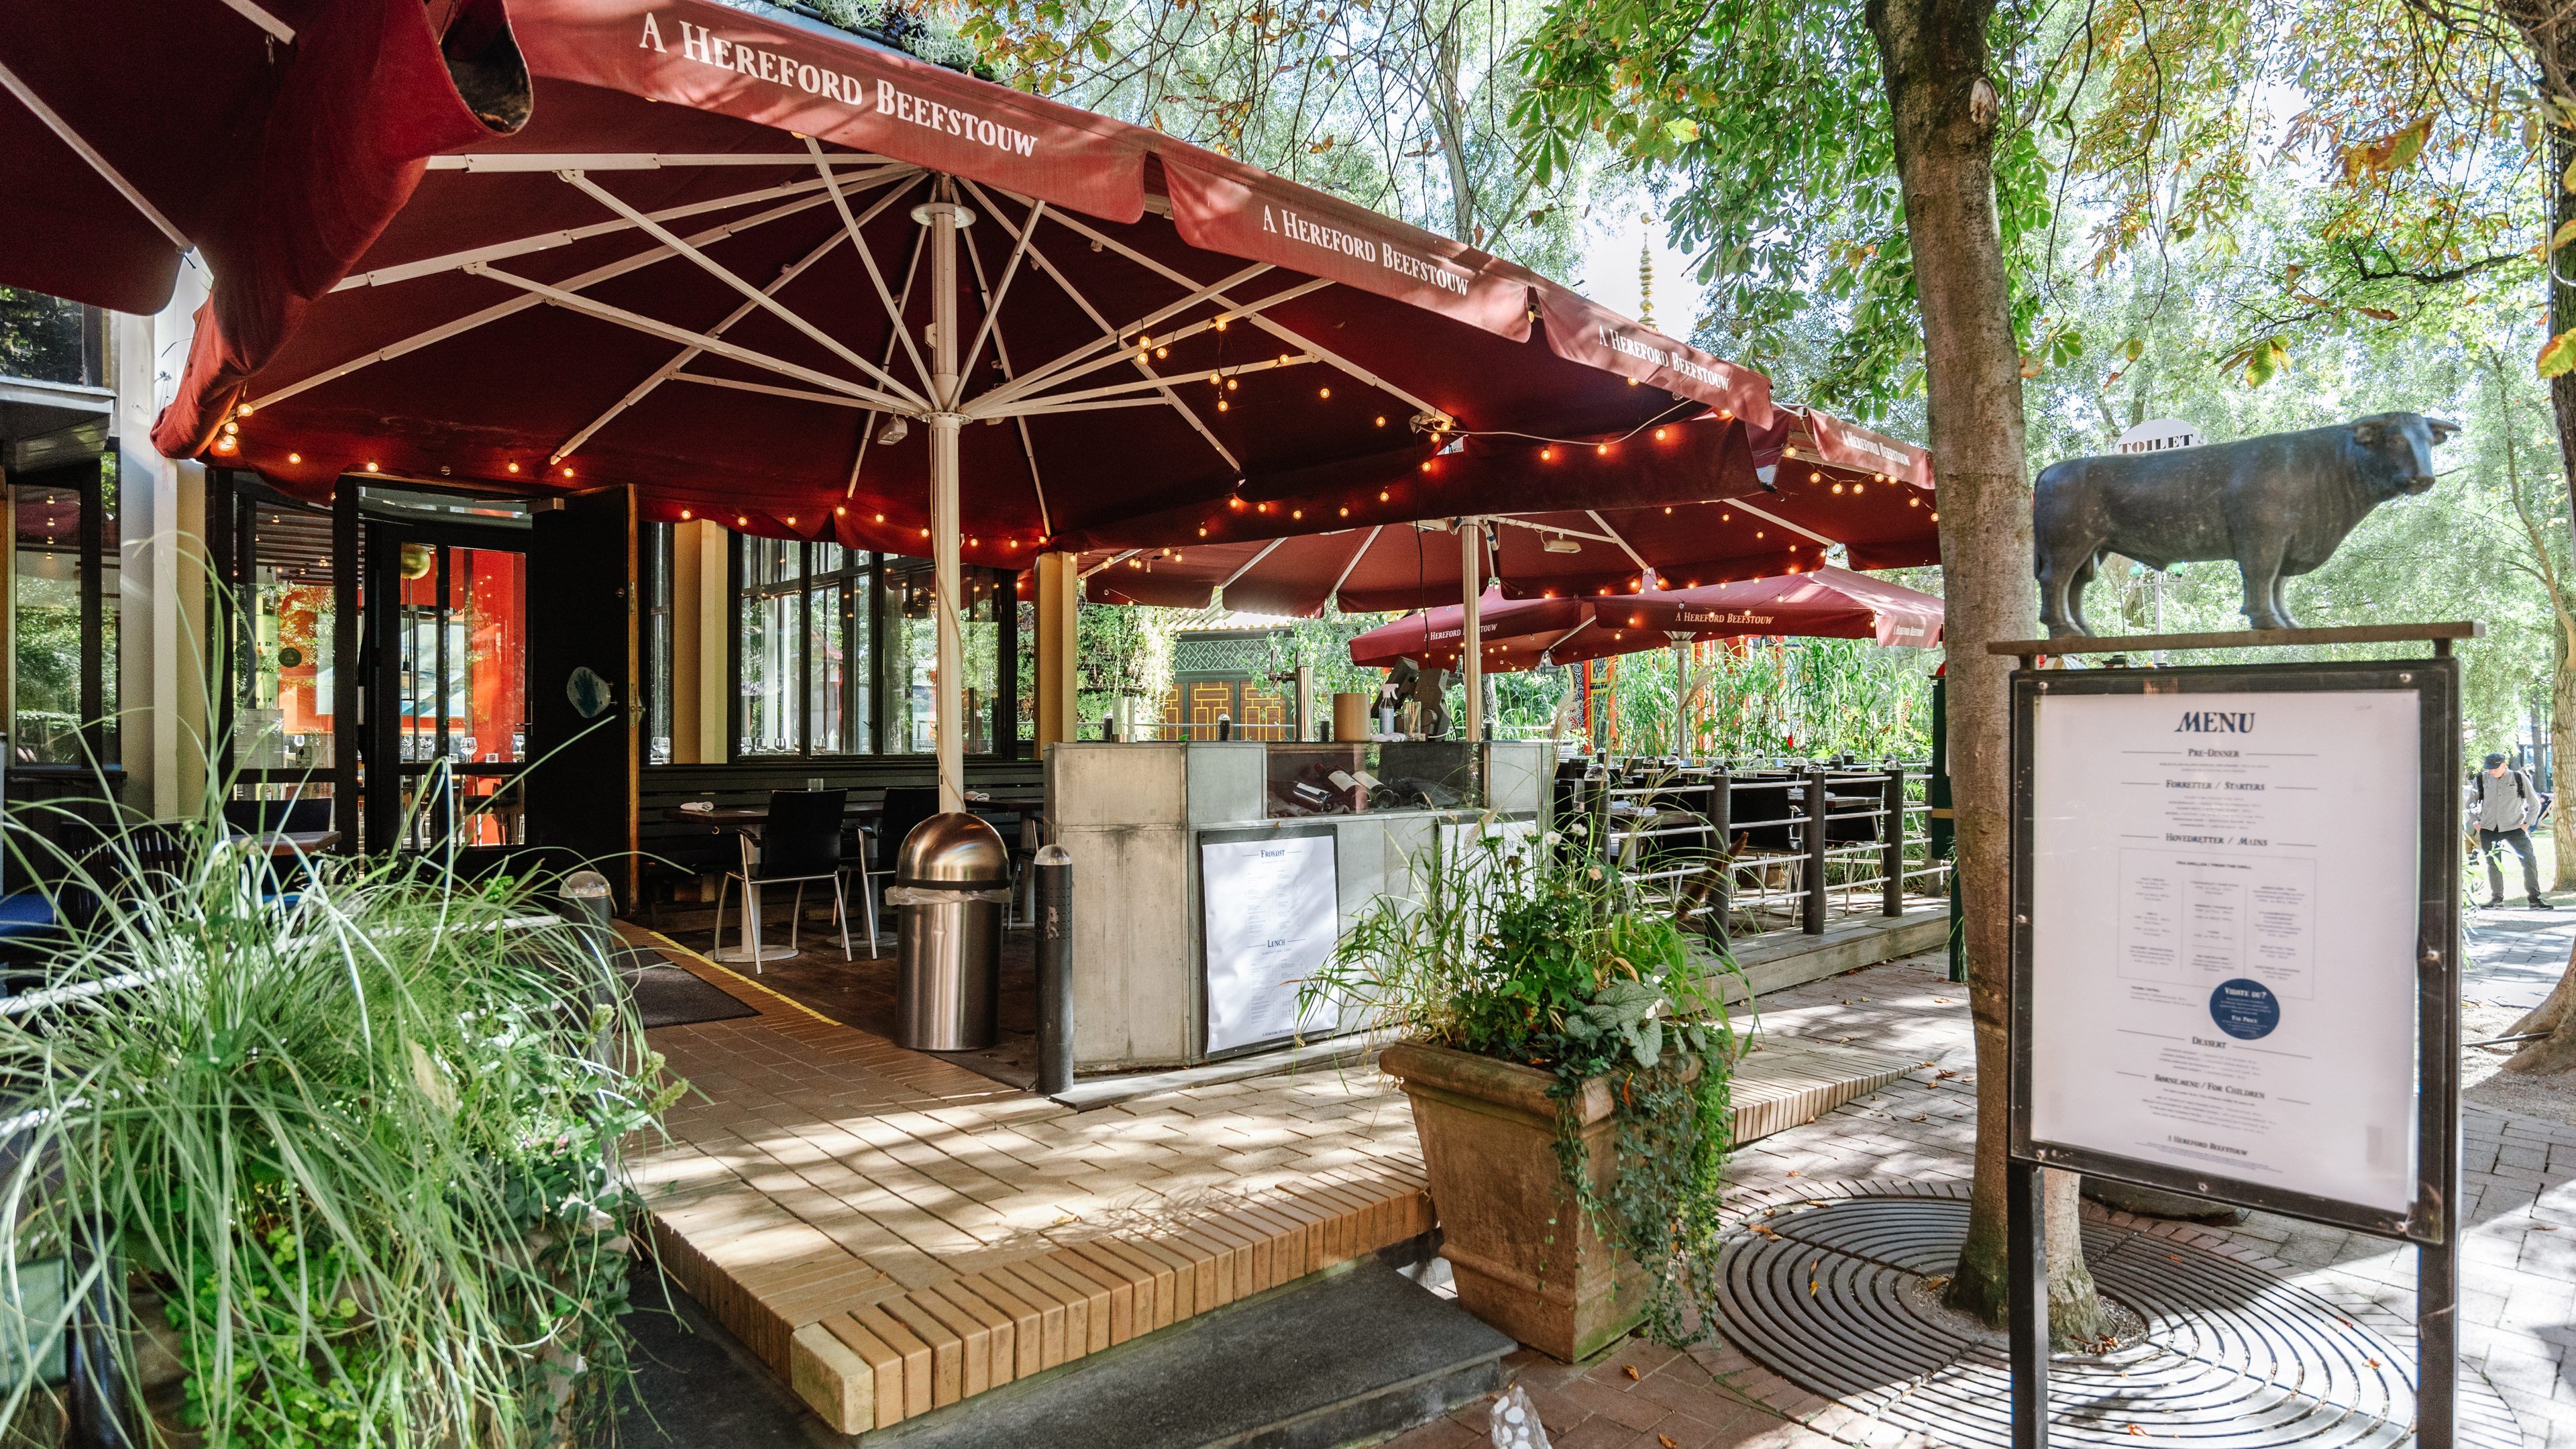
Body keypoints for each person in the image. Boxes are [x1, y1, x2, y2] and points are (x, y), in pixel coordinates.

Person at [2469, 751, 2553, 909]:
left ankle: (2535, 900)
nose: (2491, 771)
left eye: (2495, 768)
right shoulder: (2480, 779)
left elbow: (2534, 803)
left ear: (2505, 765)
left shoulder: (2519, 778)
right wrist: (2476, 823)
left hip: (2515, 828)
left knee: (2529, 860)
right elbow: (2471, 804)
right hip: (2488, 829)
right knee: (2493, 863)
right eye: (2489, 768)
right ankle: (2497, 900)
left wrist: (2527, 824)